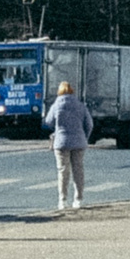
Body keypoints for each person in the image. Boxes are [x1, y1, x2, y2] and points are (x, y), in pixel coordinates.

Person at [46, 79, 93, 211]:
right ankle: (78, 199)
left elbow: (48, 121)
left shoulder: (56, 106)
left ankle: (62, 200)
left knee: (63, 171)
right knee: (78, 171)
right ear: (72, 91)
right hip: (79, 142)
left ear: (59, 92)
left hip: (61, 143)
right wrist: (84, 136)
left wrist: (58, 127)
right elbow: (89, 124)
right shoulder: (80, 105)